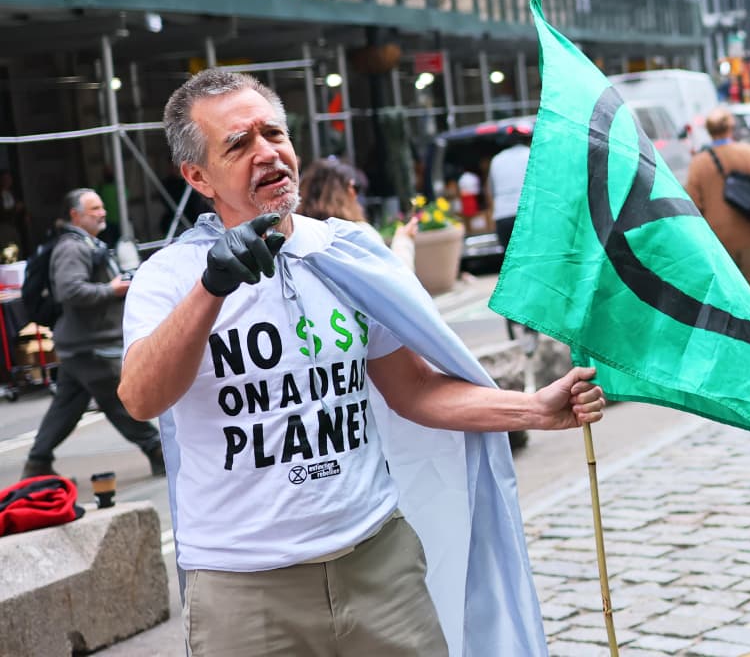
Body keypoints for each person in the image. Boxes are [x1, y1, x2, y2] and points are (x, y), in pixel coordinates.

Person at [120, 69, 605, 656]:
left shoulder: (346, 253)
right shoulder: (169, 278)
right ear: (198, 176)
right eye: (238, 144)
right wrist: (211, 288)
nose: (267, 153)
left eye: (274, 133)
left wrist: (531, 409)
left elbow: (414, 390)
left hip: (378, 566)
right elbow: (141, 398)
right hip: (246, 590)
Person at [20, 188, 164, 480]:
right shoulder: (72, 248)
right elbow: (69, 290)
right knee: (121, 400)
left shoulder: (85, 243)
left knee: (67, 408)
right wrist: (111, 289)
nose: (103, 213)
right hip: (90, 346)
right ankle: (158, 450)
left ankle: (37, 462)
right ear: (75, 215)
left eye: (101, 208)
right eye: (95, 209)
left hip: (84, 345)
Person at [683, 108, 750, 304]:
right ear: (731, 127)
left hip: (717, 241)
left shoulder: (698, 163)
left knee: (727, 298)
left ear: (709, 130)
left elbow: (692, 205)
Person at [301, 158, 415, 272]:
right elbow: (396, 282)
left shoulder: (303, 238)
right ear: (350, 189)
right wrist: (403, 241)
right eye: (357, 188)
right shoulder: (358, 233)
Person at [487, 138, 531, 251]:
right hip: (528, 214)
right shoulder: (532, 154)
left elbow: (490, 191)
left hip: (503, 216)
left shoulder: (497, 159)